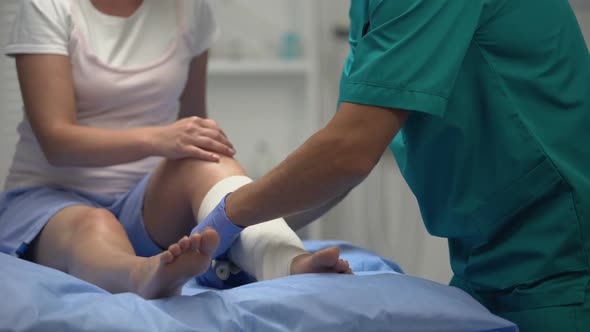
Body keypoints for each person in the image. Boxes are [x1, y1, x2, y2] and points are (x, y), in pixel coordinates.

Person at [197, 0, 590, 330]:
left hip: (558, 261)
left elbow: (348, 152)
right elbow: (333, 167)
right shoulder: (370, 7)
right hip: (489, 262)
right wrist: (248, 237)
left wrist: (228, 216)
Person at [0, 0, 351, 300]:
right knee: (95, 224)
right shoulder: (47, 6)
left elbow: (194, 128)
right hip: (51, 199)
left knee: (207, 158)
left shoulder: (190, 8)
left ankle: (287, 261)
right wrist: (156, 139)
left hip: (146, 203)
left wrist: (200, 170)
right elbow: (57, 141)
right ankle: (142, 275)